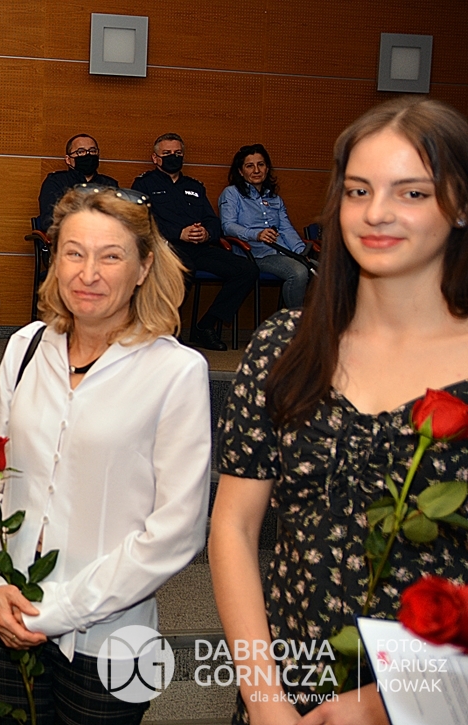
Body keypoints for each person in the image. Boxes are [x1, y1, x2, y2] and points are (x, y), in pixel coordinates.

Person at [209, 97, 468, 724]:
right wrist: (265, 701)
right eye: (358, 190)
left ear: (460, 204)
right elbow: (234, 527)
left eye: (411, 193)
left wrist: (389, 701)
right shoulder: (283, 346)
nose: (376, 212)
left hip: (435, 699)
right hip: (289, 688)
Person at [0, 186, 212, 724]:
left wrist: (61, 610)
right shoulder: (26, 347)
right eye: (74, 252)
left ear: (143, 267)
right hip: (4, 611)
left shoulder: (177, 371)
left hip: (110, 636)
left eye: (110, 256)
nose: (87, 273)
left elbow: (178, 530)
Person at [133, 133, 257, 351]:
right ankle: (169, 330)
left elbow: (212, 221)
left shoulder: (195, 186)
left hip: (198, 247)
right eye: (167, 153)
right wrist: (178, 233)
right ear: (155, 158)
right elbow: (141, 220)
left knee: (246, 270)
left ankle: (206, 326)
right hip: (165, 247)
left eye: (178, 153)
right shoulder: (144, 184)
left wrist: (206, 233)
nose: (173, 157)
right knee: (184, 268)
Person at [219, 144, 311, 309]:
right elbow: (228, 226)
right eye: (249, 166)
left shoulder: (274, 198)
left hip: (281, 252)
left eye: (260, 165)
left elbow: (286, 229)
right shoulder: (232, 193)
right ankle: (295, 322)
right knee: (299, 272)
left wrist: (301, 253)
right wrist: (256, 234)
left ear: (267, 168)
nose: (256, 170)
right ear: (240, 171)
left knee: (320, 271)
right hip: (253, 255)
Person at [37, 133, 119, 232]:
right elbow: (49, 221)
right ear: (68, 159)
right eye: (81, 152)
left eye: (92, 151)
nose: (88, 155)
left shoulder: (109, 184)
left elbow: (118, 219)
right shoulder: (56, 182)